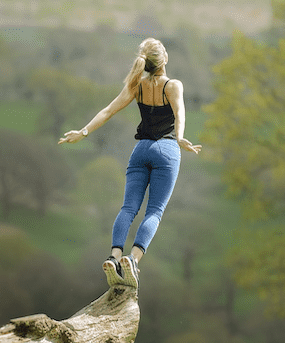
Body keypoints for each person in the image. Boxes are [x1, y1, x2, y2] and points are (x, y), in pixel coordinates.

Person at [59, 37, 201, 288]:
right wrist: (179, 138)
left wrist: (83, 132)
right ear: (164, 59)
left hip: (140, 150)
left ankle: (114, 257)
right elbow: (179, 113)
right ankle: (132, 260)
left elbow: (108, 111)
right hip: (166, 150)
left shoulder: (137, 86)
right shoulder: (173, 85)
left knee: (128, 208)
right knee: (154, 211)